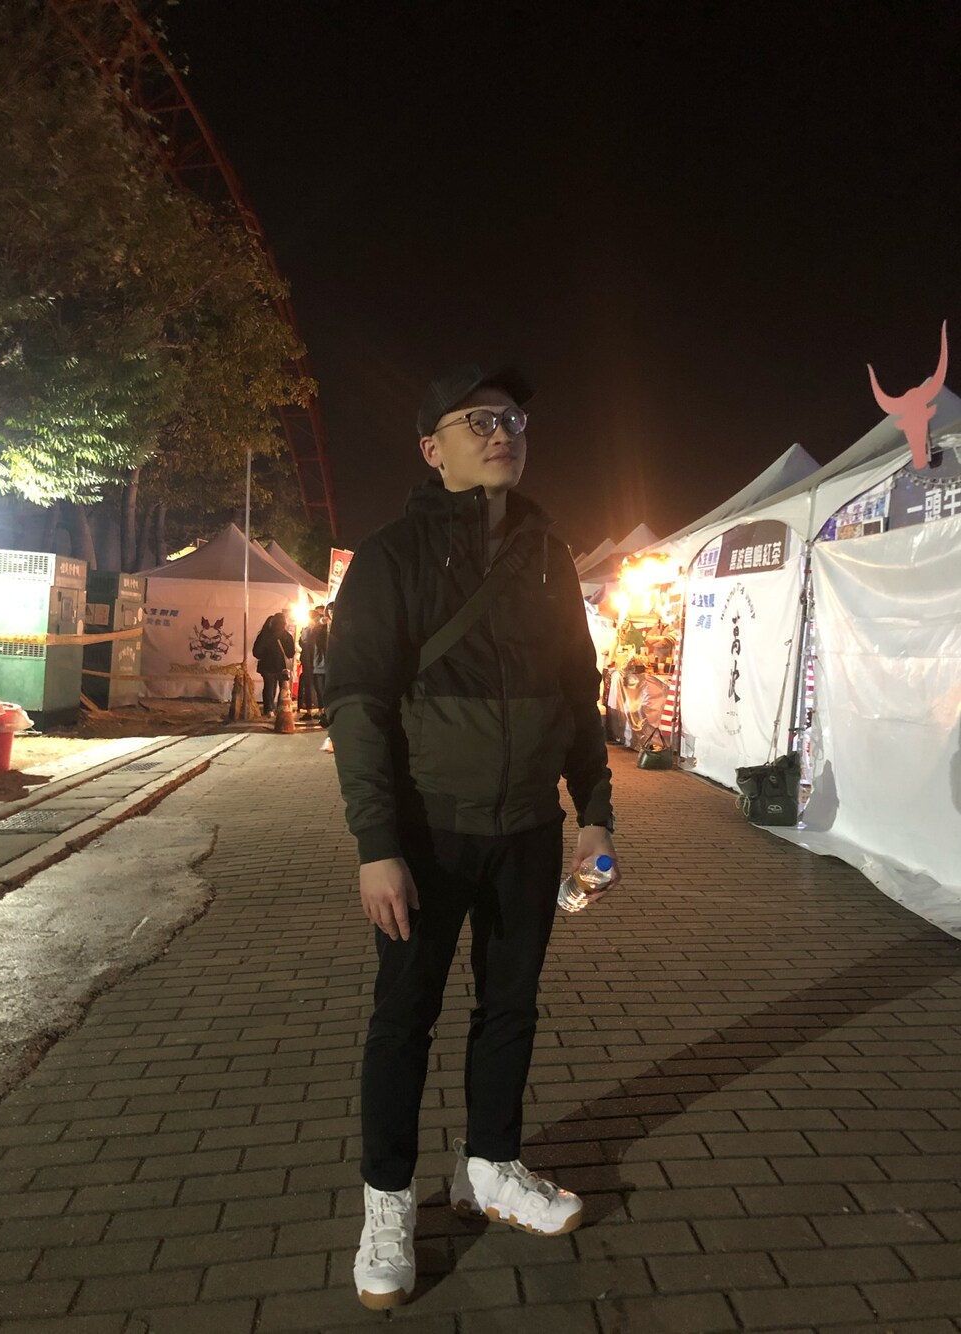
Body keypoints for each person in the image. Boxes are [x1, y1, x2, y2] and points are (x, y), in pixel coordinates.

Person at [325, 363, 619, 1309]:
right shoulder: (391, 556)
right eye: (479, 419)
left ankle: (489, 1166)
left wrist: (595, 812)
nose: (503, 432)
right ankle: (387, 1202)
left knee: (511, 1008)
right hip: (426, 833)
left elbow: (577, 692)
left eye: (515, 419)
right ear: (432, 447)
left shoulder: (550, 555)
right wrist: (376, 843)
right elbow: (357, 704)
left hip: (528, 829)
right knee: (402, 1019)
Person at [252, 611, 294, 717]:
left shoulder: (265, 634)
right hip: (282, 666)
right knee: (283, 688)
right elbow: (290, 653)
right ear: (284, 623)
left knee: (269, 687)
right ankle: (281, 708)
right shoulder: (287, 636)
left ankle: (269, 709)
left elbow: (256, 652)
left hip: (267, 666)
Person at [297, 607, 328, 720]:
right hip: (314, 661)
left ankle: (317, 711)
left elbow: (304, 640)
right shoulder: (311, 629)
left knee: (316, 686)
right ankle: (318, 710)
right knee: (316, 686)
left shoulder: (318, 628)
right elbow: (303, 641)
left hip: (316, 662)